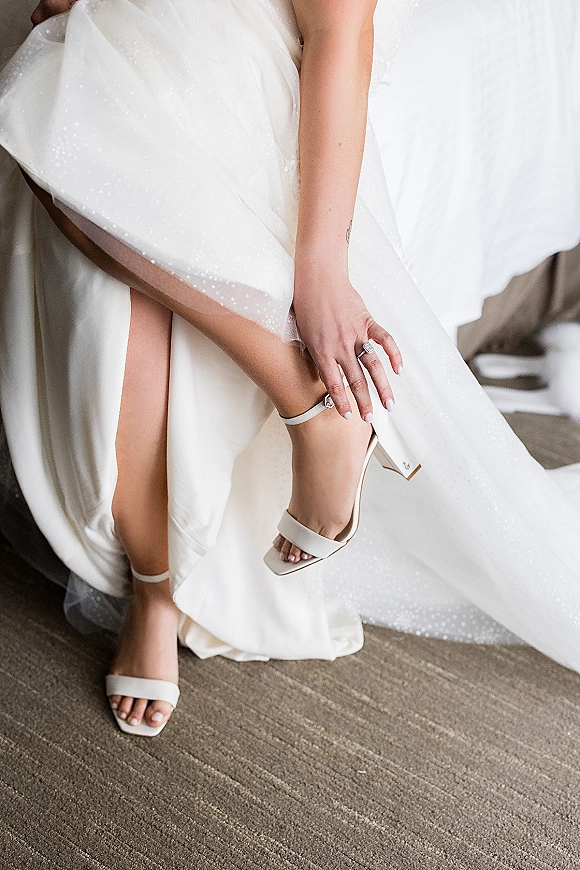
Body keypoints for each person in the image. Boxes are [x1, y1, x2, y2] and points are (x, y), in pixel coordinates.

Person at [1, 0, 580, 738]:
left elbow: (340, 32)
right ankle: (292, 421)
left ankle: (162, 585)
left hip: (269, 29)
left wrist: (322, 267)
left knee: (61, 113)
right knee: (52, 97)